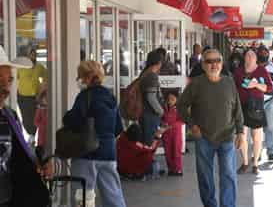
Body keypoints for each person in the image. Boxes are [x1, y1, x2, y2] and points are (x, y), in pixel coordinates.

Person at [177, 49, 244, 207]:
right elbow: (181, 105)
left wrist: (240, 131)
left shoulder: (229, 81)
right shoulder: (196, 84)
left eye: (217, 60)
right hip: (204, 138)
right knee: (205, 177)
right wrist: (192, 124)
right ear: (203, 65)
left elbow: (237, 108)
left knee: (228, 175)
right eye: (209, 61)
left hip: (227, 136)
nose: (214, 64)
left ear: (222, 62)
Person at [63, 60, 126, 207]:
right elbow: (118, 128)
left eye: (79, 77)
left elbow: (73, 121)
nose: (78, 81)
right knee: (113, 195)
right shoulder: (110, 97)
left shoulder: (85, 97)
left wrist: (67, 117)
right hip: (109, 154)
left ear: (86, 77)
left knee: (84, 196)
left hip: (87, 153)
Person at [0, 46, 52, 207]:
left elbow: (17, 159)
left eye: (9, 80)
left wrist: (38, 163)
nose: (6, 88)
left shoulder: (9, 116)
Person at [234, 49, 273, 174]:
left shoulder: (261, 70)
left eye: (252, 55)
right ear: (244, 58)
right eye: (247, 55)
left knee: (256, 136)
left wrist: (256, 85)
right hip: (241, 105)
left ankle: (255, 163)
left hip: (256, 105)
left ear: (256, 58)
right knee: (242, 135)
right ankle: (245, 162)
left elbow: (269, 88)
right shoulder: (238, 71)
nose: (250, 57)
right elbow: (233, 89)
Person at [17, 48, 47, 143]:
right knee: (26, 118)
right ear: (27, 56)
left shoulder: (39, 67)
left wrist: (42, 91)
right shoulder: (21, 67)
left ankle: (32, 135)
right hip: (23, 96)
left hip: (35, 97)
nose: (33, 56)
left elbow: (46, 78)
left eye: (35, 55)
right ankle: (30, 133)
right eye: (32, 54)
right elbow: (15, 79)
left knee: (34, 117)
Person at [139, 51, 164, 145]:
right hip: (150, 114)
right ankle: (146, 160)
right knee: (149, 143)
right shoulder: (152, 76)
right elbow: (151, 97)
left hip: (145, 112)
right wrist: (161, 111)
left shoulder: (144, 73)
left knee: (145, 141)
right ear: (158, 62)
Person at [161, 91, 183, 176]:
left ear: (177, 100)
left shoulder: (180, 109)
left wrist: (170, 126)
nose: (170, 101)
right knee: (168, 152)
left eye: (172, 99)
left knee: (176, 151)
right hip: (166, 134)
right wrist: (162, 123)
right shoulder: (164, 108)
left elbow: (182, 121)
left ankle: (178, 169)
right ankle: (171, 169)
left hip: (176, 134)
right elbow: (161, 118)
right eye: (168, 99)